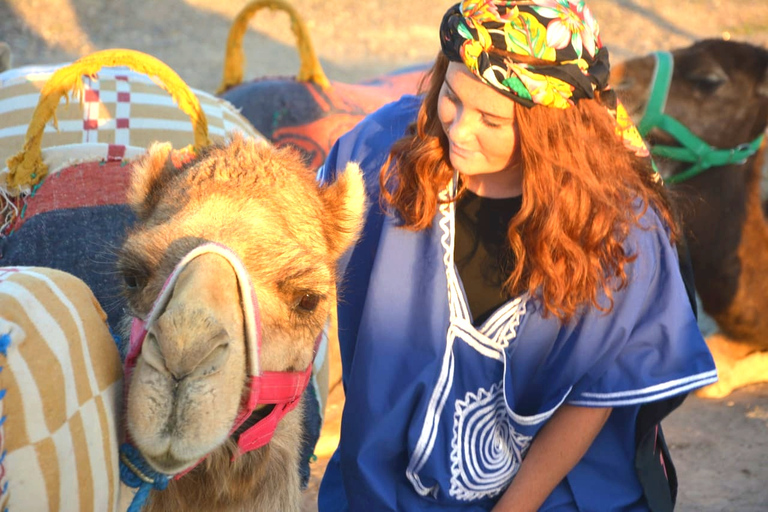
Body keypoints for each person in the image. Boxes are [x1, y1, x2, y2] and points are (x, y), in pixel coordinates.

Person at [316, 1, 717, 510]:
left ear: (552, 132)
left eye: (490, 118)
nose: (458, 131)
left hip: (551, 493)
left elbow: (594, 393)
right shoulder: (384, 158)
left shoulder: (619, 228)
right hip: (384, 479)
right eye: (451, 96)